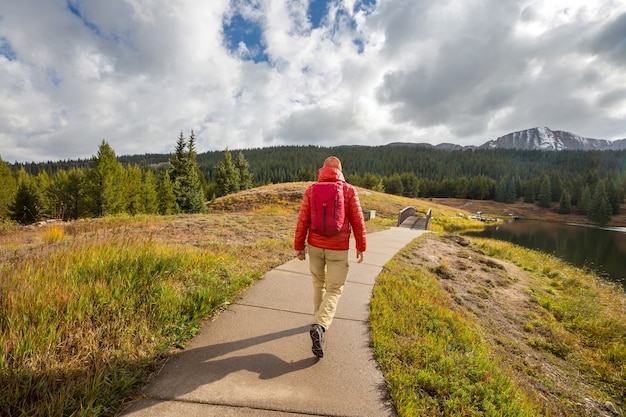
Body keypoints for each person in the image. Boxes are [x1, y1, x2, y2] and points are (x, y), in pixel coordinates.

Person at [294, 156, 367, 358]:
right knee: (334, 289)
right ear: (340, 171)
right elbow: (358, 222)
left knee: (319, 284)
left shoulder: (311, 190)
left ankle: (318, 323)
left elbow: (303, 220)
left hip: (315, 246)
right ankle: (320, 324)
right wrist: (360, 246)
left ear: (322, 171)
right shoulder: (349, 190)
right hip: (338, 248)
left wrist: (299, 246)